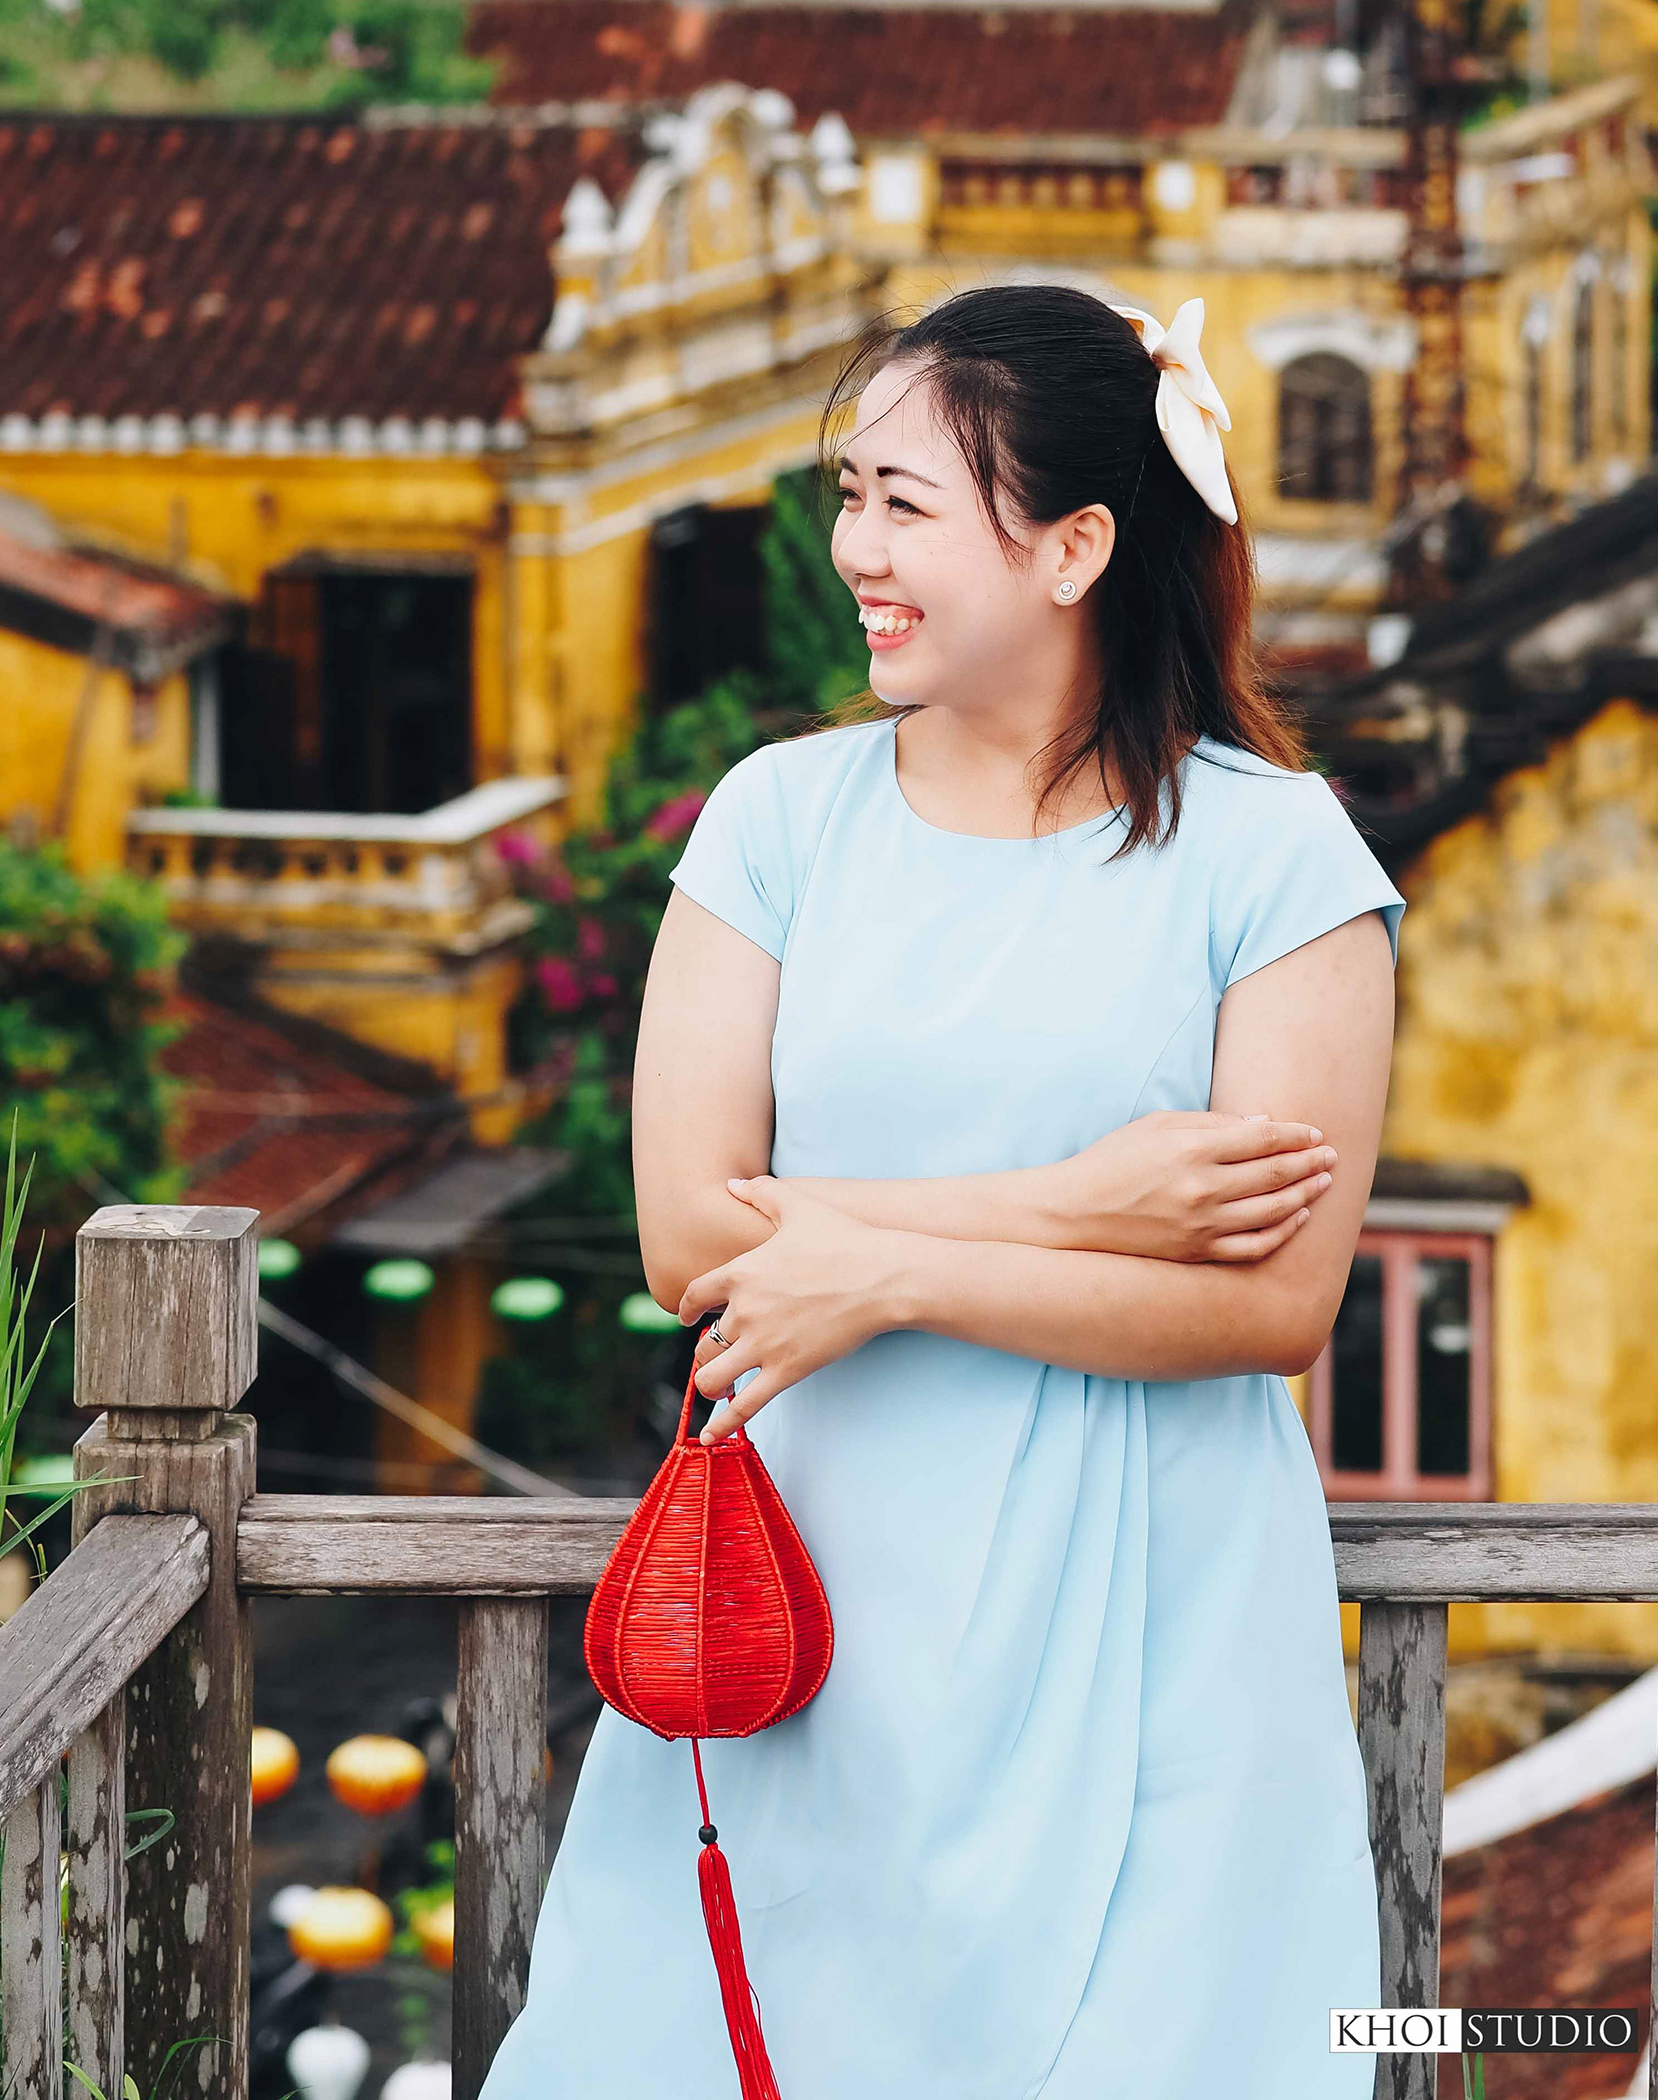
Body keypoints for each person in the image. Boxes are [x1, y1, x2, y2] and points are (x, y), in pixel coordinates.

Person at [479, 283, 1400, 2099]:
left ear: (1074, 547)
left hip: (1157, 1610)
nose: (854, 552)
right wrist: (1078, 1201)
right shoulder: (776, 820)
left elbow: (1268, 1307)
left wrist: (877, 1267)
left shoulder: (1274, 857)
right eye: (851, 495)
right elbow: (689, 1235)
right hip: (815, 1593)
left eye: (906, 503)